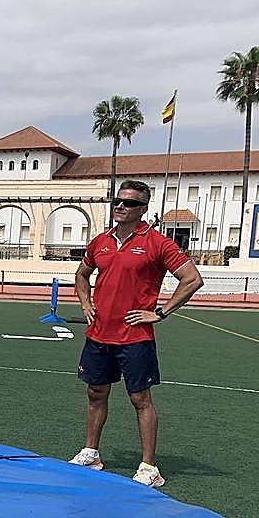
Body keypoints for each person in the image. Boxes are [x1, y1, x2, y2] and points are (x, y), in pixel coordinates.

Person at [70, 179, 204, 487]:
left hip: (135, 337)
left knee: (140, 398)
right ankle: (91, 453)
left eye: (129, 203)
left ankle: (149, 468)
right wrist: (85, 302)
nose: (120, 206)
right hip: (99, 334)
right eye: (118, 200)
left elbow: (192, 279)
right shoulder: (101, 241)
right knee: (95, 393)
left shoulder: (158, 243)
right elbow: (82, 274)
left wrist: (160, 312)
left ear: (142, 209)